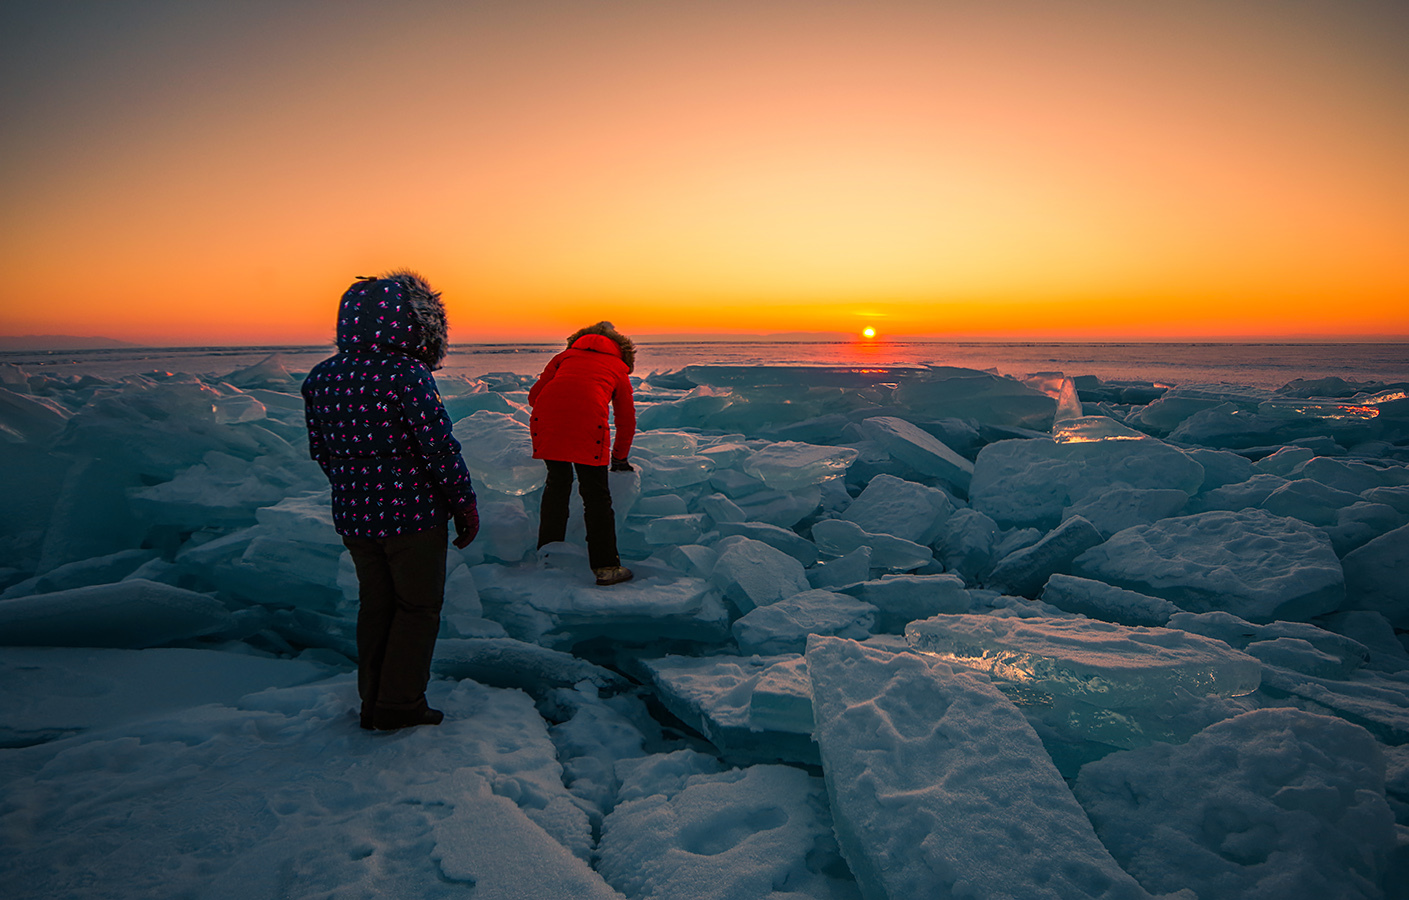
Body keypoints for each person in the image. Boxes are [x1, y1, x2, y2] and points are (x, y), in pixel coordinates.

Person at [302, 271, 479, 731]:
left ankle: (373, 700)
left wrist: (357, 488)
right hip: (413, 516)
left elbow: (321, 449)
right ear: (415, 324)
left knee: (376, 606)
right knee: (417, 608)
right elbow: (438, 447)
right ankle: (399, 706)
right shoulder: (406, 374)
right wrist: (463, 504)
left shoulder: (323, 376)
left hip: (355, 518)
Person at [528, 321, 637, 585]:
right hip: (589, 426)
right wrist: (620, 458)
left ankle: (549, 554)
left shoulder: (563, 357)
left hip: (548, 422)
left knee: (557, 484)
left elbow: (534, 397)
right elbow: (626, 419)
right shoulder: (618, 367)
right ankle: (606, 566)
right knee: (596, 497)